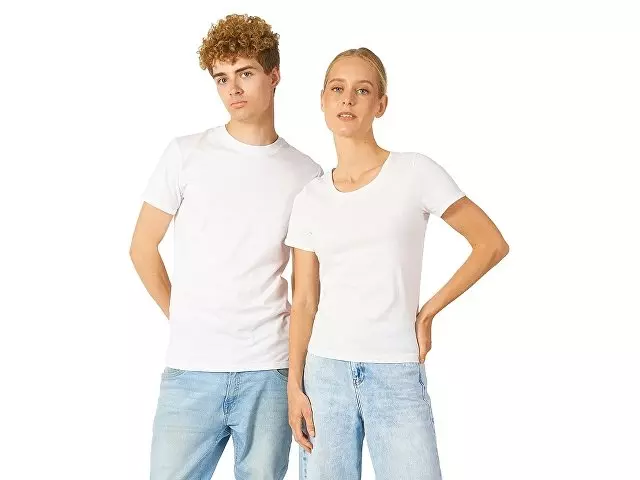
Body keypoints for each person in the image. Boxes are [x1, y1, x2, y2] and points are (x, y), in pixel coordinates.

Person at [284, 48, 509, 480]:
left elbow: (490, 244)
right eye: (338, 89)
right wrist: (295, 385)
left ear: (380, 104)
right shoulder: (310, 197)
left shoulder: (415, 172)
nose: (348, 99)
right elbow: (305, 299)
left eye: (362, 90)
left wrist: (428, 312)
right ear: (323, 101)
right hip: (324, 374)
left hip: (395, 370)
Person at [129, 14, 322, 480]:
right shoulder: (185, 154)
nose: (232, 88)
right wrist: (183, 315)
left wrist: (298, 376)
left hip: (270, 373)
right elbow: (142, 247)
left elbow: (307, 289)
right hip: (190, 371)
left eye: (245, 73)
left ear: (274, 75)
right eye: (221, 78)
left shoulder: (307, 175)